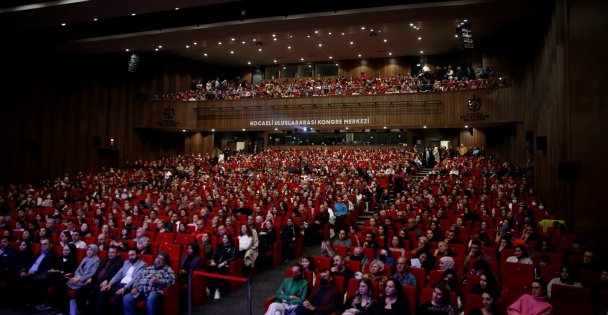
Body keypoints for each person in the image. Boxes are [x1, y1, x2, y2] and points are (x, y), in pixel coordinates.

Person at [96, 248, 147, 315]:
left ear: (137, 255)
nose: (130, 257)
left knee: (118, 296)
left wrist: (125, 288)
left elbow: (135, 278)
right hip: (120, 284)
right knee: (103, 291)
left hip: (129, 286)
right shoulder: (126, 262)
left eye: (132, 255)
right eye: (129, 255)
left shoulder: (142, 265)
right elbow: (118, 274)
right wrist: (110, 284)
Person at [76, 245, 124, 315]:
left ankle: (90, 312)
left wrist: (107, 280)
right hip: (95, 281)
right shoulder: (105, 259)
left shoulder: (119, 262)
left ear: (117, 253)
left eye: (113, 252)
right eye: (109, 252)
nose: (110, 254)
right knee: (79, 291)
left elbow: (115, 274)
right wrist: (91, 278)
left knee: (93, 293)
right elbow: (97, 271)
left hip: (105, 283)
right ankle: (83, 311)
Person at [207, 233, 236, 299]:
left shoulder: (232, 246)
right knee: (208, 268)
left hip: (226, 264)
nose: (224, 239)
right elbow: (215, 254)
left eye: (226, 238)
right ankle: (208, 287)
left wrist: (224, 263)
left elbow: (233, 257)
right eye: (223, 238)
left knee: (221, 269)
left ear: (229, 239)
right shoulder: (220, 245)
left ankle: (218, 289)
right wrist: (212, 261)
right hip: (217, 263)